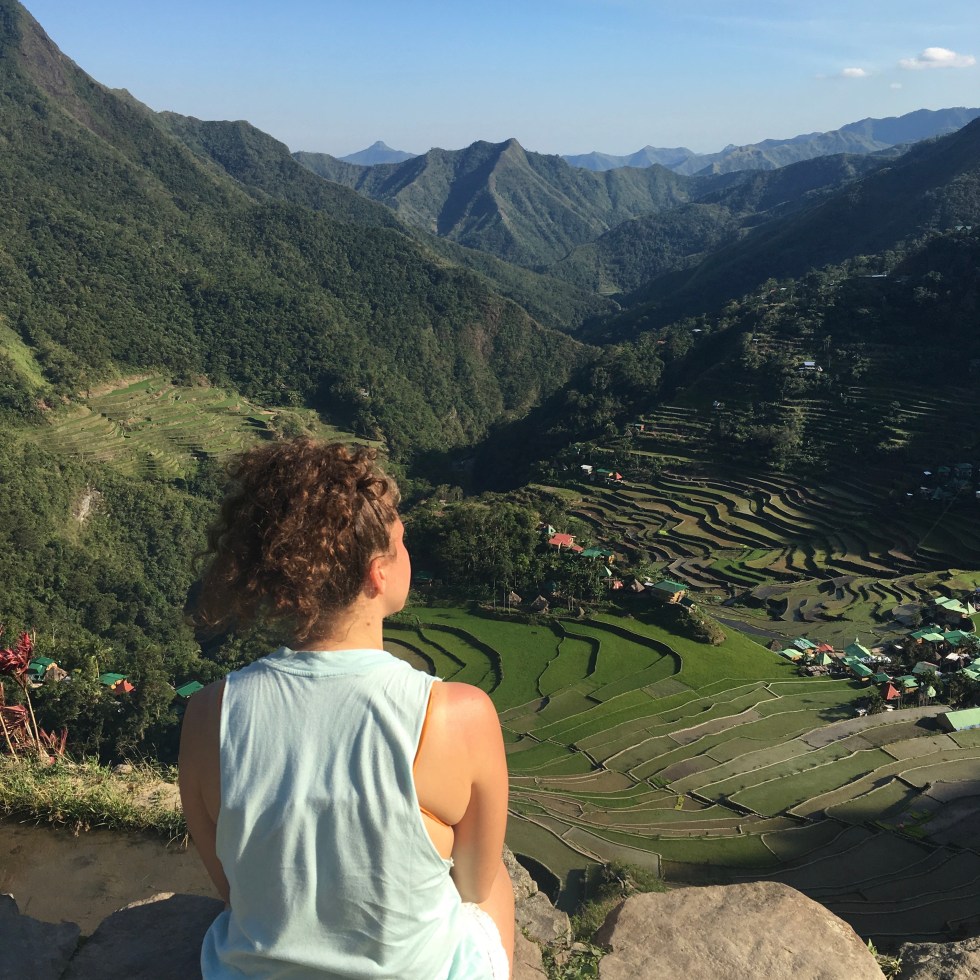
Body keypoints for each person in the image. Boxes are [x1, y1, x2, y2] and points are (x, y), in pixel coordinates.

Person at [179, 439, 513, 978]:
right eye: (401, 543)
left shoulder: (208, 714)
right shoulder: (458, 713)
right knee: (496, 885)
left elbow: (232, 891)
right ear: (378, 573)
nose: (408, 554)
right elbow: (472, 885)